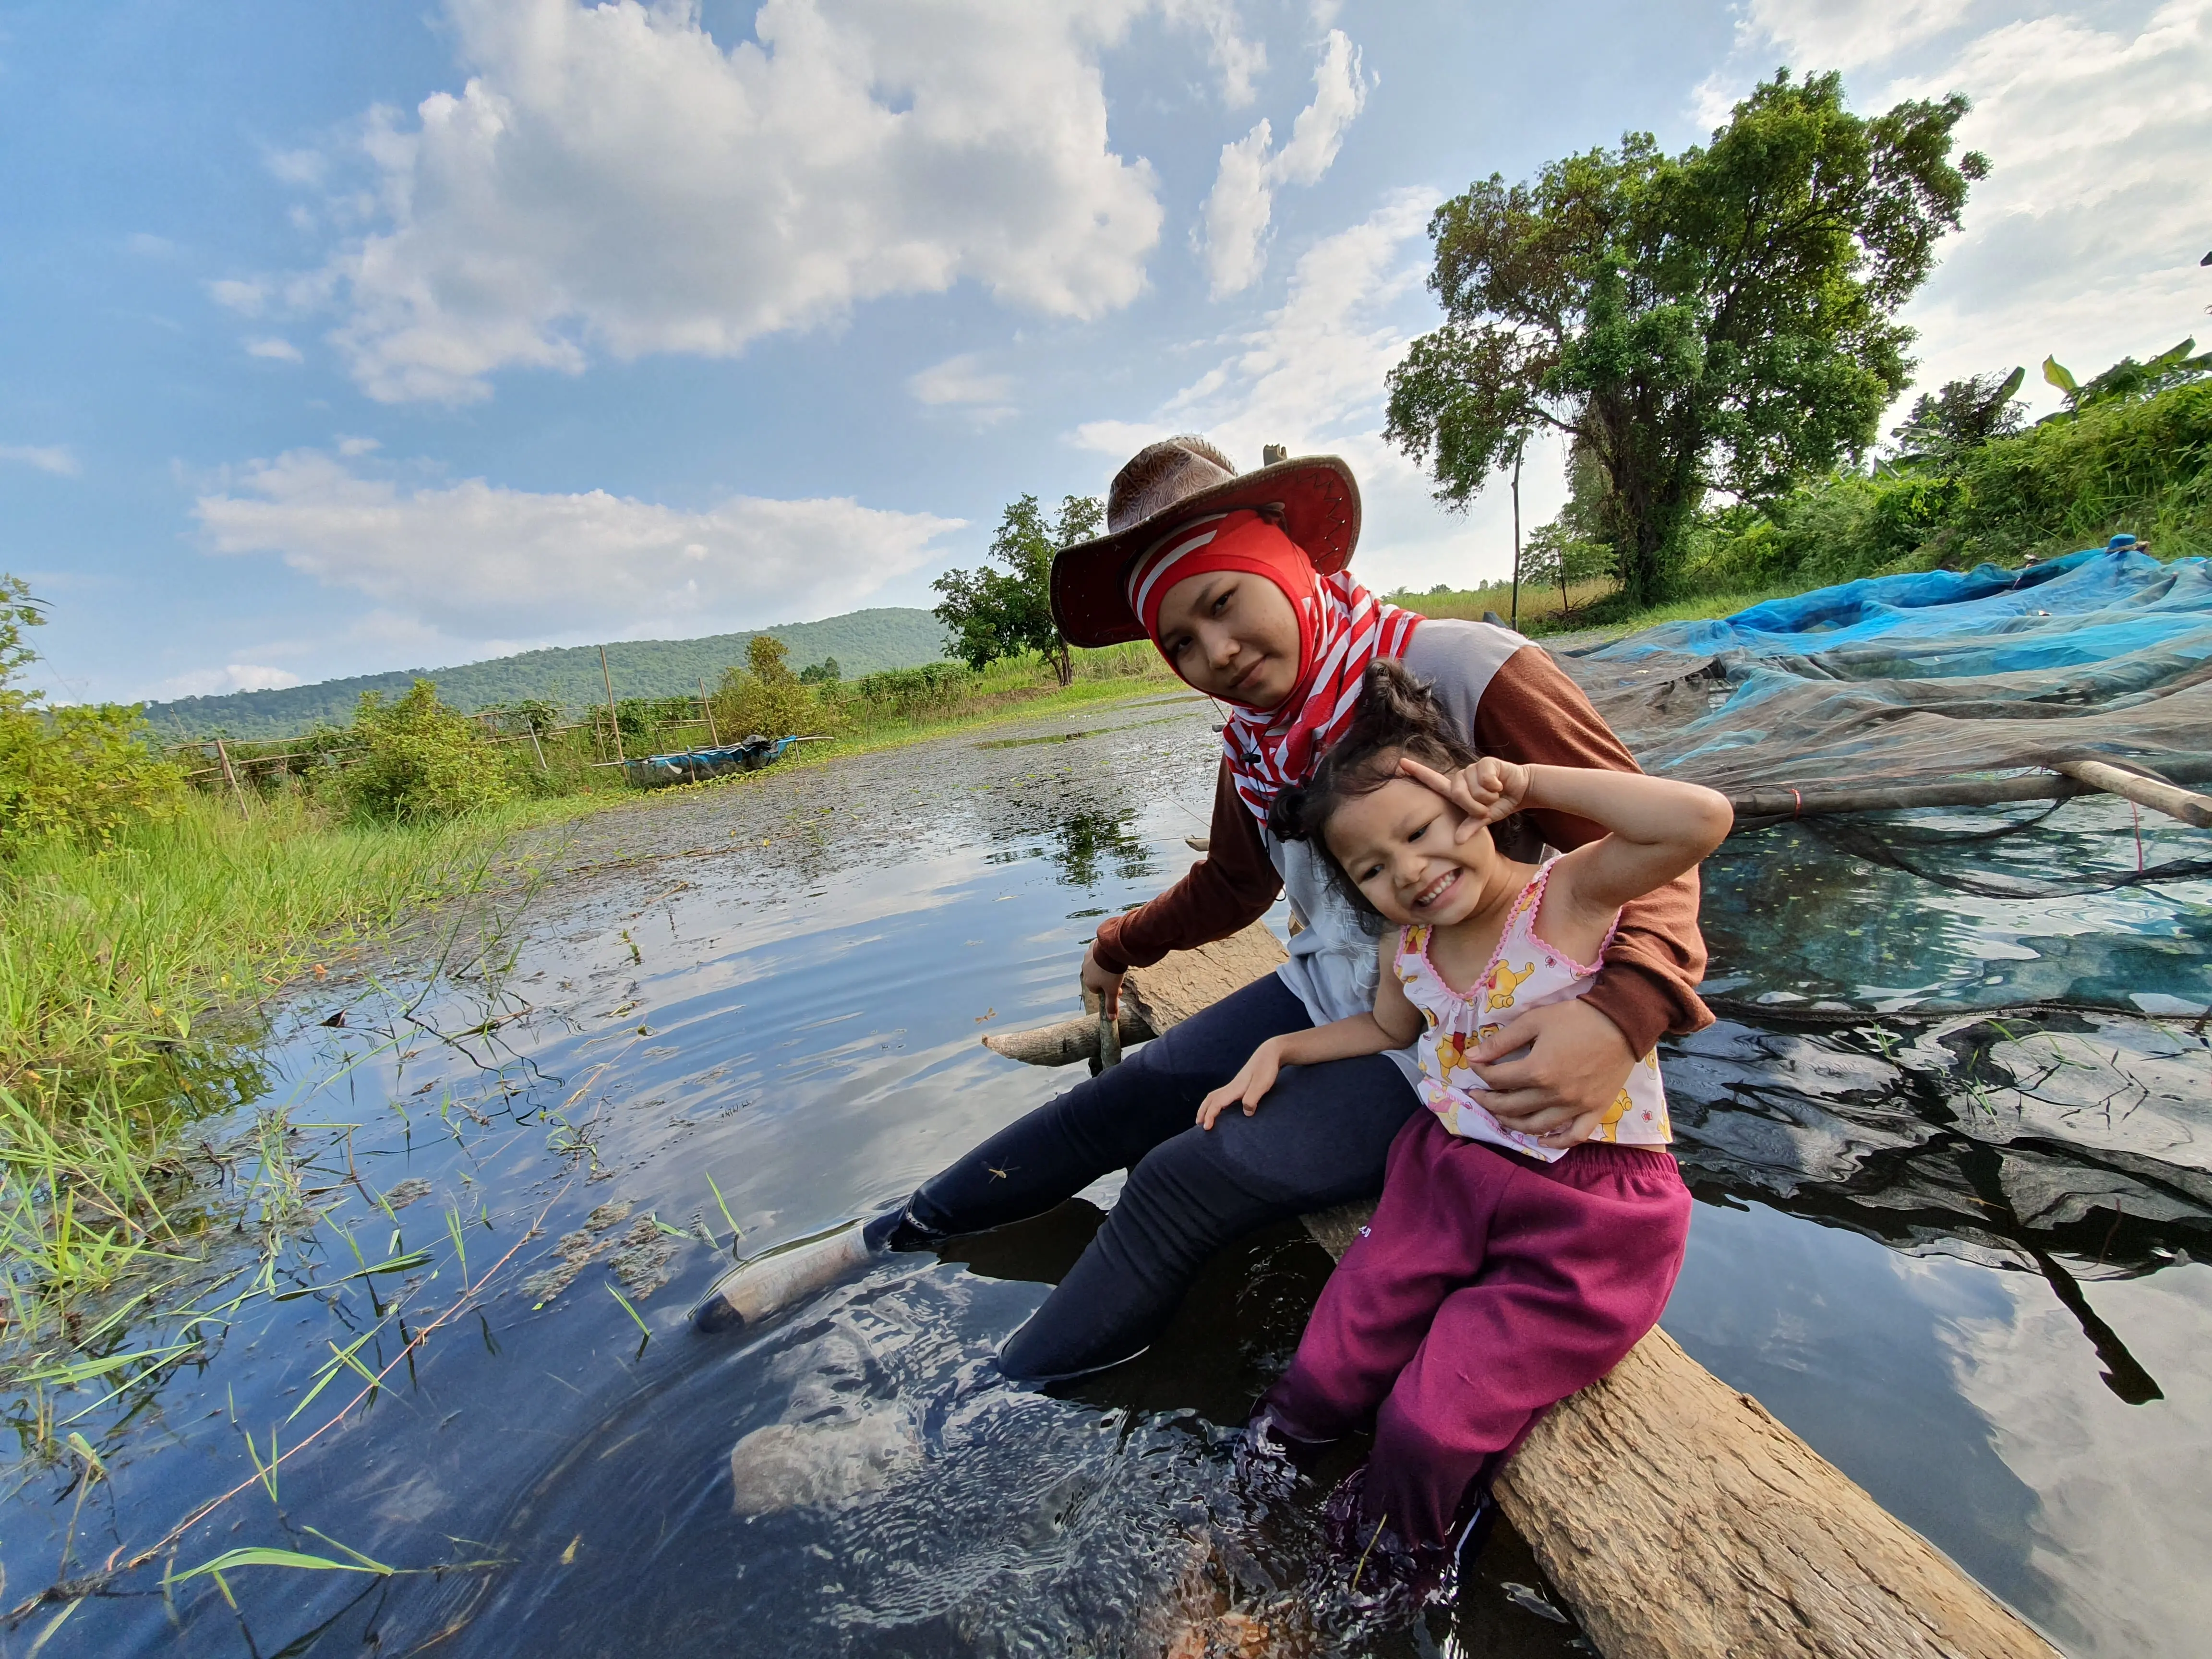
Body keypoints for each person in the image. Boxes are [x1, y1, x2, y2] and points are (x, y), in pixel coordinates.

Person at [691, 436, 1711, 1381]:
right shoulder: (1257, 744)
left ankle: (1006, 1402)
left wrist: (1623, 1015)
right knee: (1116, 1102)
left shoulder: (1463, 669)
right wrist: (1116, 945)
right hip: (1345, 1000)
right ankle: (886, 1238)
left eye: (1227, 602)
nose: (1215, 651)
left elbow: (1654, 853)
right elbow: (1233, 886)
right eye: (1180, 641)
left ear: (1288, 570)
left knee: (1182, 1177)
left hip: (1467, 1044)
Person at [1207, 659, 1730, 1595]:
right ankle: (1255, 1508)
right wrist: (1283, 1050)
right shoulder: (1407, 949)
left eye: (1421, 831)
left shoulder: (1567, 895)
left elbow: (1698, 821)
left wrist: (1531, 781)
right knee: (1326, 1365)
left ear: (1474, 804)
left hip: (1587, 1218)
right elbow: (1385, 1031)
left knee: (1429, 1425)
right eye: (1372, 867)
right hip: (1444, 1180)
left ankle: (1387, 1571)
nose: (1408, 871)